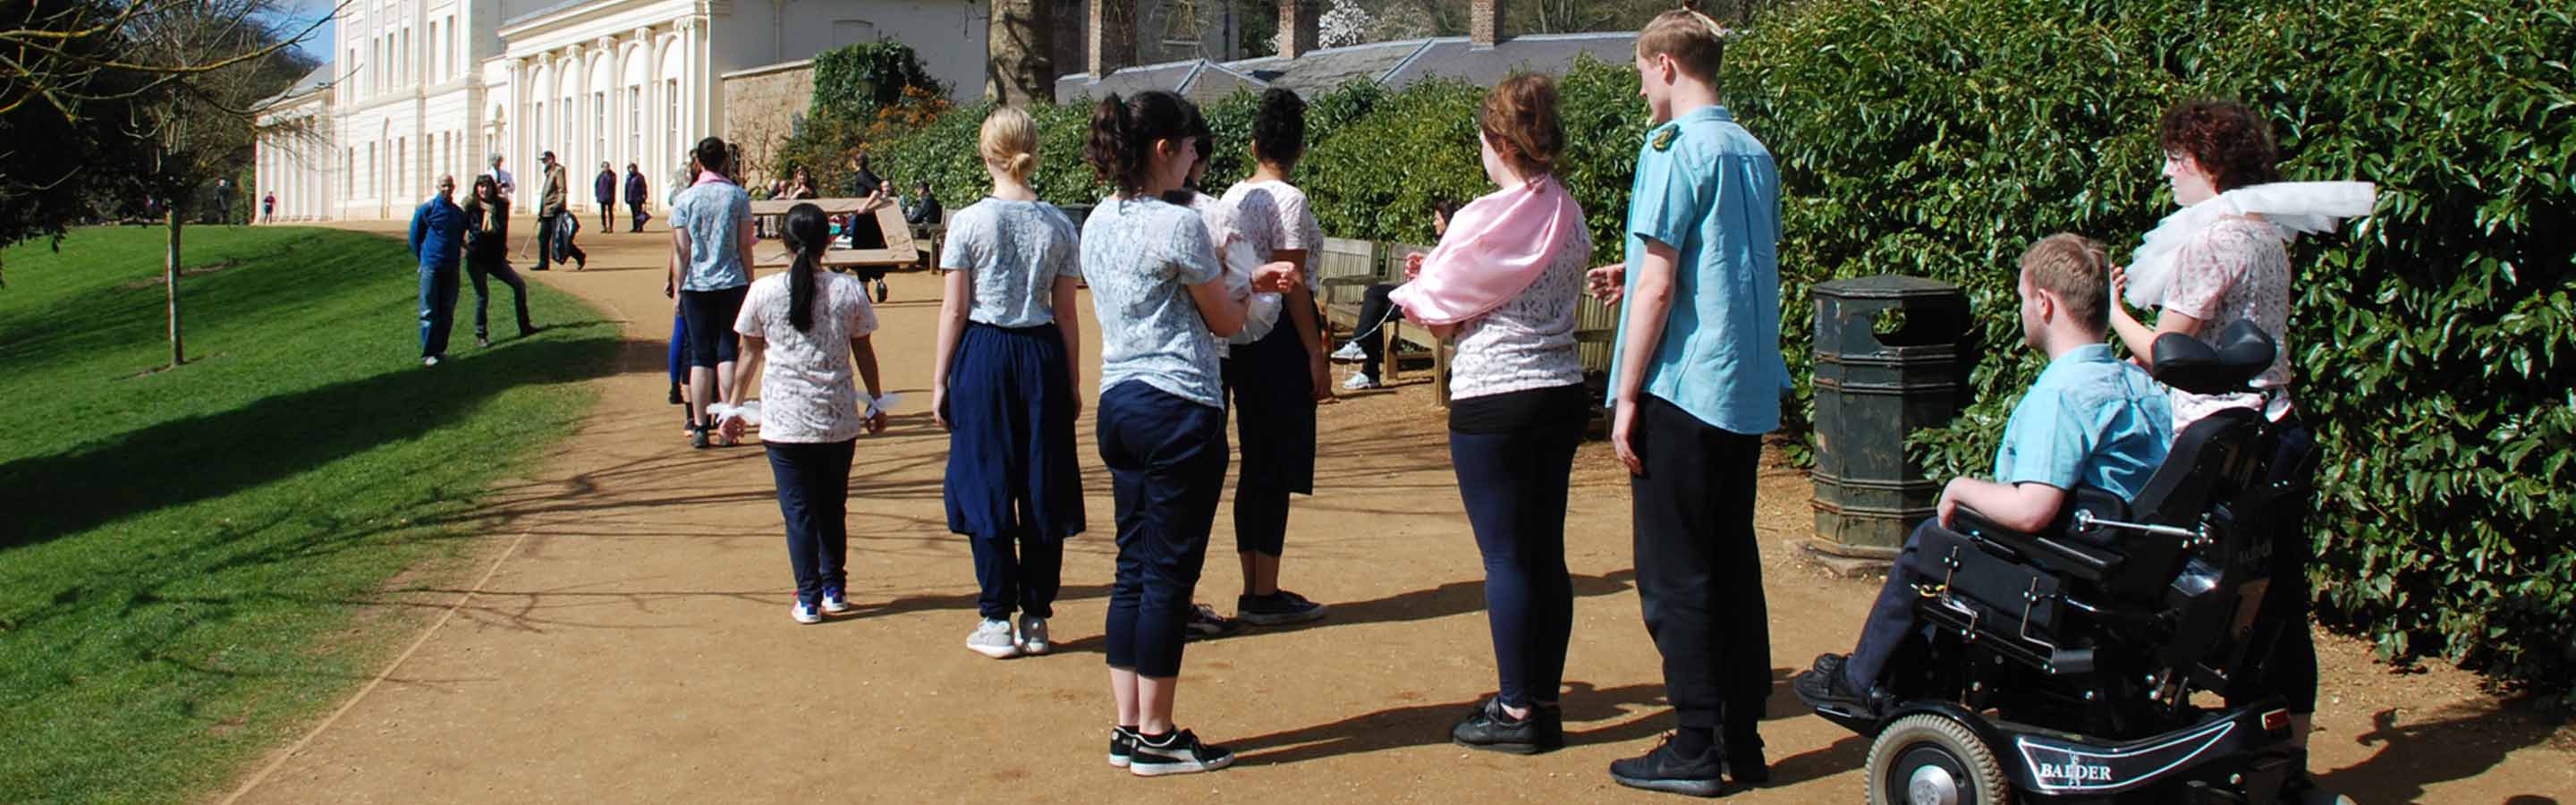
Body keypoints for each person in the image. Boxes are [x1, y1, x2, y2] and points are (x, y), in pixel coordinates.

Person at [1792, 233, 2174, 728]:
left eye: (2021, 299)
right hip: (2122, 567)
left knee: (1932, 544)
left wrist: (1959, 488)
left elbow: (2032, 508)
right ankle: (1896, 681)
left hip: (2071, 573)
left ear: (2044, 303)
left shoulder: (2064, 393)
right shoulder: (2134, 381)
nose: (2022, 311)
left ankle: (1862, 682)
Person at [2107, 99, 2366, 790]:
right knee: (2277, 599)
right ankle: (2288, 764)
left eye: (2175, 160)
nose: (2168, 174)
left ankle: (2211, 752)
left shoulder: (2213, 238)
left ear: (2205, 164)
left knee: (2200, 598)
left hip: (2221, 442)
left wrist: (2111, 314)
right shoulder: (2262, 233)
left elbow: (2168, 350)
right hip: (2277, 428)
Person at [1588, 10, 1790, 795]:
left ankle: (1696, 742)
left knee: (1675, 572)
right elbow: (1706, 265)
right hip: (1740, 389)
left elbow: (1665, 285)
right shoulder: (1752, 150)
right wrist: (1628, 274)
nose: (1641, 85)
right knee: (1732, 563)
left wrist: (1625, 394)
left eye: (1642, 69)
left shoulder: (1671, 148)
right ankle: (1743, 737)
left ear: (1668, 64)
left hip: (1682, 388)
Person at [1080, 89, 1300, 777]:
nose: (1197, 157)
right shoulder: (1178, 226)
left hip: (1119, 400)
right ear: (1163, 150)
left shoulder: (1096, 220)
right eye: (1190, 146)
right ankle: (1158, 732)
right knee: (1168, 579)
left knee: (1131, 569)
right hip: (1179, 405)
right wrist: (1261, 288)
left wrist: (1248, 281)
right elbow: (1227, 322)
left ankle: (1128, 728)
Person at [1383, 73, 1595, 754]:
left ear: (1500, 141)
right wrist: (1438, 272)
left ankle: (1514, 712)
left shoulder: (1479, 217)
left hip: (1493, 397)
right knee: (1545, 553)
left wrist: (1425, 279)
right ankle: (1545, 701)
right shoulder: (1569, 212)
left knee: (1505, 558)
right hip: (1559, 391)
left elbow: (1438, 319)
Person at [932, 106, 1089, 660]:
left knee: (987, 478)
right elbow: (1067, 313)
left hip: (985, 352)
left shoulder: (970, 222)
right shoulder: (1059, 224)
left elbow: (954, 309)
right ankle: (1037, 616)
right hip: (1041, 351)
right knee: (1042, 481)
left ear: (986, 152)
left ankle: (995, 615)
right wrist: (1070, 378)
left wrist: (940, 379)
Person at [728, 202, 891, 624]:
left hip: (785, 420)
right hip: (836, 417)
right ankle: (834, 586)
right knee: (832, 506)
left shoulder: (763, 292)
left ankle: (808, 597)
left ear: (783, 241)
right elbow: (864, 350)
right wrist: (875, 400)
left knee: (798, 511)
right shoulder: (847, 290)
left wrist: (732, 406)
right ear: (828, 241)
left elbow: (747, 354)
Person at [1215, 87, 1332, 627]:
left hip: (1236, 334)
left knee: (1252, 463)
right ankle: (1265, 589)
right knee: (1275, 460)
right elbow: (1295, 285)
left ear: (1255, 143)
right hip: (1278, 337)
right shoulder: (1291, 200)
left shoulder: (1229, 197)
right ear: (1299, 148)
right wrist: (1316, 352)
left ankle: (1252, 583)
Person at [667, 137, 758, 449]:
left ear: (698, 163)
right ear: (724, 162)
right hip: (732, 280)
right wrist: (751, 280)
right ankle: (727, 420)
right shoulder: (737, 197)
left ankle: (699, 425)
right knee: (728, 351)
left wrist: (679, 289)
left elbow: (682, 250)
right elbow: (745, 244)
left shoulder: (684, 199)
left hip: (696, 283)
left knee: (700, 356)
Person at [1329, 198, 1462, 388]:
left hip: (1434, 302)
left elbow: (1447, 275)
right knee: (1375, 307)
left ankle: (1361, 352)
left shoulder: (1455, 243)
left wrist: (1423, 267)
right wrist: (1423, 262)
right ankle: (1368, 370)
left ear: (1447, 221)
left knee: (1375, 296)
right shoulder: (1448, 242)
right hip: (1425, 295)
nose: (1434, 222)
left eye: (1437, 218)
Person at [461, 174, 536, 347]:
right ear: (476, 188)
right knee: (483, 296)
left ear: (493, 188)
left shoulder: (501, 206)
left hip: (495, 258)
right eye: (480, 186)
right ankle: (481, 335)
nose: (484, 190)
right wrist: (465, 248)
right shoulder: (471, 207)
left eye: (487, 186)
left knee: (519, 285)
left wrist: (502, 251)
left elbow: (503, 231)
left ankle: (525, 326)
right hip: (477, 258)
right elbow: (460, 231)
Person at [407, 174, 467, 368]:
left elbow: (460, 236)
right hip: (431, 266)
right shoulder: (428, 209)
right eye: (443, 185)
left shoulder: (457, 213)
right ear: (437, 187)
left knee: (447, 310)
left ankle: (440, 349)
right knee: (429, 310)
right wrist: (422, 260)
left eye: (449, 185)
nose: (447, 189)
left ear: (454, 187)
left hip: (452, 266)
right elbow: (414, 236)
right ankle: (428, 353)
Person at [534, 150, 587, 271]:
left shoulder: (558, 170)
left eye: (544, 160)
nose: (543, 163)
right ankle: (543, 263)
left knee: (560, 238)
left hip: (554, 211)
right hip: (546, 211)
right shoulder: (548, 172)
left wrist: (558, 205)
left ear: (551, 159)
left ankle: (579, 256)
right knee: (542, 237)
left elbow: (562, 190)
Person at [624, 163, 651, 232]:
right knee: (633, 214)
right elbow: (626, 188)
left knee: (638, 213)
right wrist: (626, 198)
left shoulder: (639, 177)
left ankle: (639, 227)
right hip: (631, 198)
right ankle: (635, 227)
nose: (631, 170)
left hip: (638, 198)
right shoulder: (628, 177)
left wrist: (644, 196)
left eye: (632, 169)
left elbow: (643, 187)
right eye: (630, 169)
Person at [594, 162, 617, 232]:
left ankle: (610, 227)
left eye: (607, 166)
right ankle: (604, 227)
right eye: (604, 167)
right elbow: (596, 185)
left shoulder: (612, 175)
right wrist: (597, 194)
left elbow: (613, 183)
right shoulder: (600, 176)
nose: (606, 168)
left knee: (610, 212)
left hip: (610, 196)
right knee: (603, 213)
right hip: (602, 197)